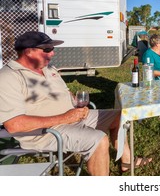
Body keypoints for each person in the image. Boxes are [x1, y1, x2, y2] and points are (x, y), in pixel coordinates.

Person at [0, 31, 151, 175]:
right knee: (98, 140)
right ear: (28, 52)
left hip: (71, 118)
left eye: (52, 48)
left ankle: (127, 161)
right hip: (45, 132)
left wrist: (76, 103)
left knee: (119, 116)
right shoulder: (9, 77)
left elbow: (64, 92)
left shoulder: (48, 68)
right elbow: (14, 125)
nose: (52, 53)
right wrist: (66, 118)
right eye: (47, 49)